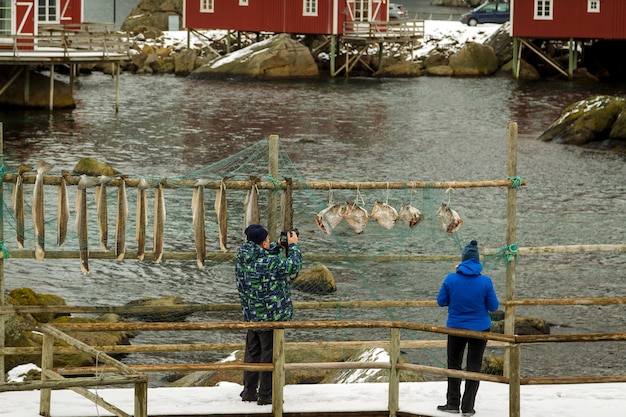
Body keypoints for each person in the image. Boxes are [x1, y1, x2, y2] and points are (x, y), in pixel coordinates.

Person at [235, 224, 302, 406]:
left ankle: (249, 392)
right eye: (268, 239)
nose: (269, 242)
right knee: (269, 356)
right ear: (263, 241)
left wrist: (281, 243)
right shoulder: (267, 263)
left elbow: (263, 252)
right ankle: (266, 395)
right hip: (271, 317)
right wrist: (293, 246)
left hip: (252, 316)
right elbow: (293, 265)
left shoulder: (243, 257)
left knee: (252, 352)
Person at [436, 239, 499, 416]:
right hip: (480, 329)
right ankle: (468, 407)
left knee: (453, 364)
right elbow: (493, 307)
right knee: (474, 366)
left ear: (463, 260)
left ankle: (452, 404)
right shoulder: (485, 282)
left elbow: (441, 301)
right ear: (477, 261)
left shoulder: (451, 279)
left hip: (455, 327)